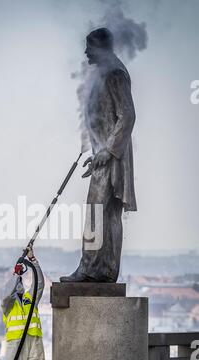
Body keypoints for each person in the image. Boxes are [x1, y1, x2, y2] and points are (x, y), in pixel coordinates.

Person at [60, 28, 137, 283]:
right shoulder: (105, 73)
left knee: (97, 211)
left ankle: (91, 270)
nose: (85, 52)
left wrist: (107, 151)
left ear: (102, 47)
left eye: (89, 47)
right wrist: (95, 153)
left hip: (112, 157)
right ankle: (104, 271)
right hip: (104, 156)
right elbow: (101, 118)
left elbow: (127, 116)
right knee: (105, 213)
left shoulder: (114, 74)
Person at [1, 245, 45, 360]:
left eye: (20, 282)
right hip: (15, 343)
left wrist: (33, 261)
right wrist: (16, 273)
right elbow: (7, 293)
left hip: (34, 341)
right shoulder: (8, 304)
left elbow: (40, 283)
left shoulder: (30, 299)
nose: (19, 286)